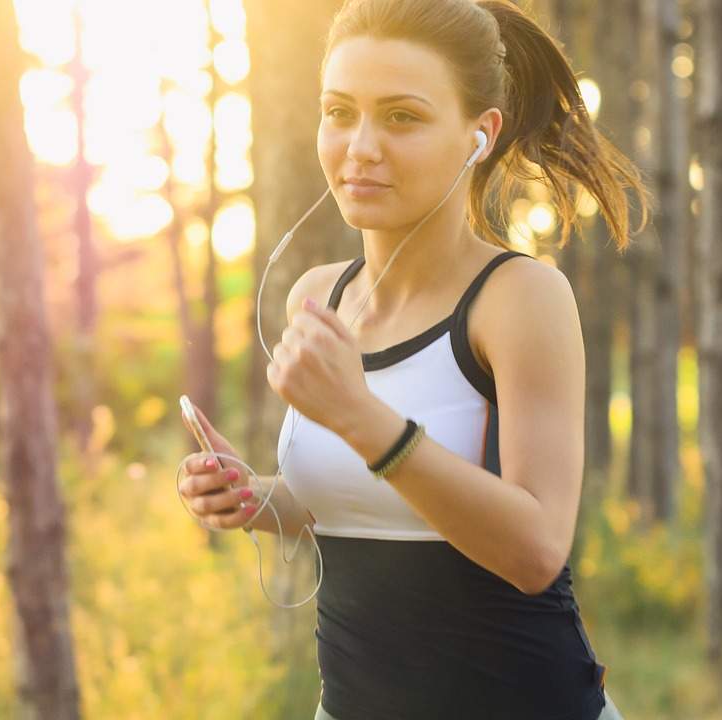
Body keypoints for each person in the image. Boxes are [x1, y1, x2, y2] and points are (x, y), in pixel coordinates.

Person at [177, 0, 648, 717]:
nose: (360, 146)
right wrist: (257, 499)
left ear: (478, 134)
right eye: (339, 112)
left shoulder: (520, 298)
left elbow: (535, 549)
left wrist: (365, 421)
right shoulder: (317, 296)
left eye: (401, 117)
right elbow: (360, 504)